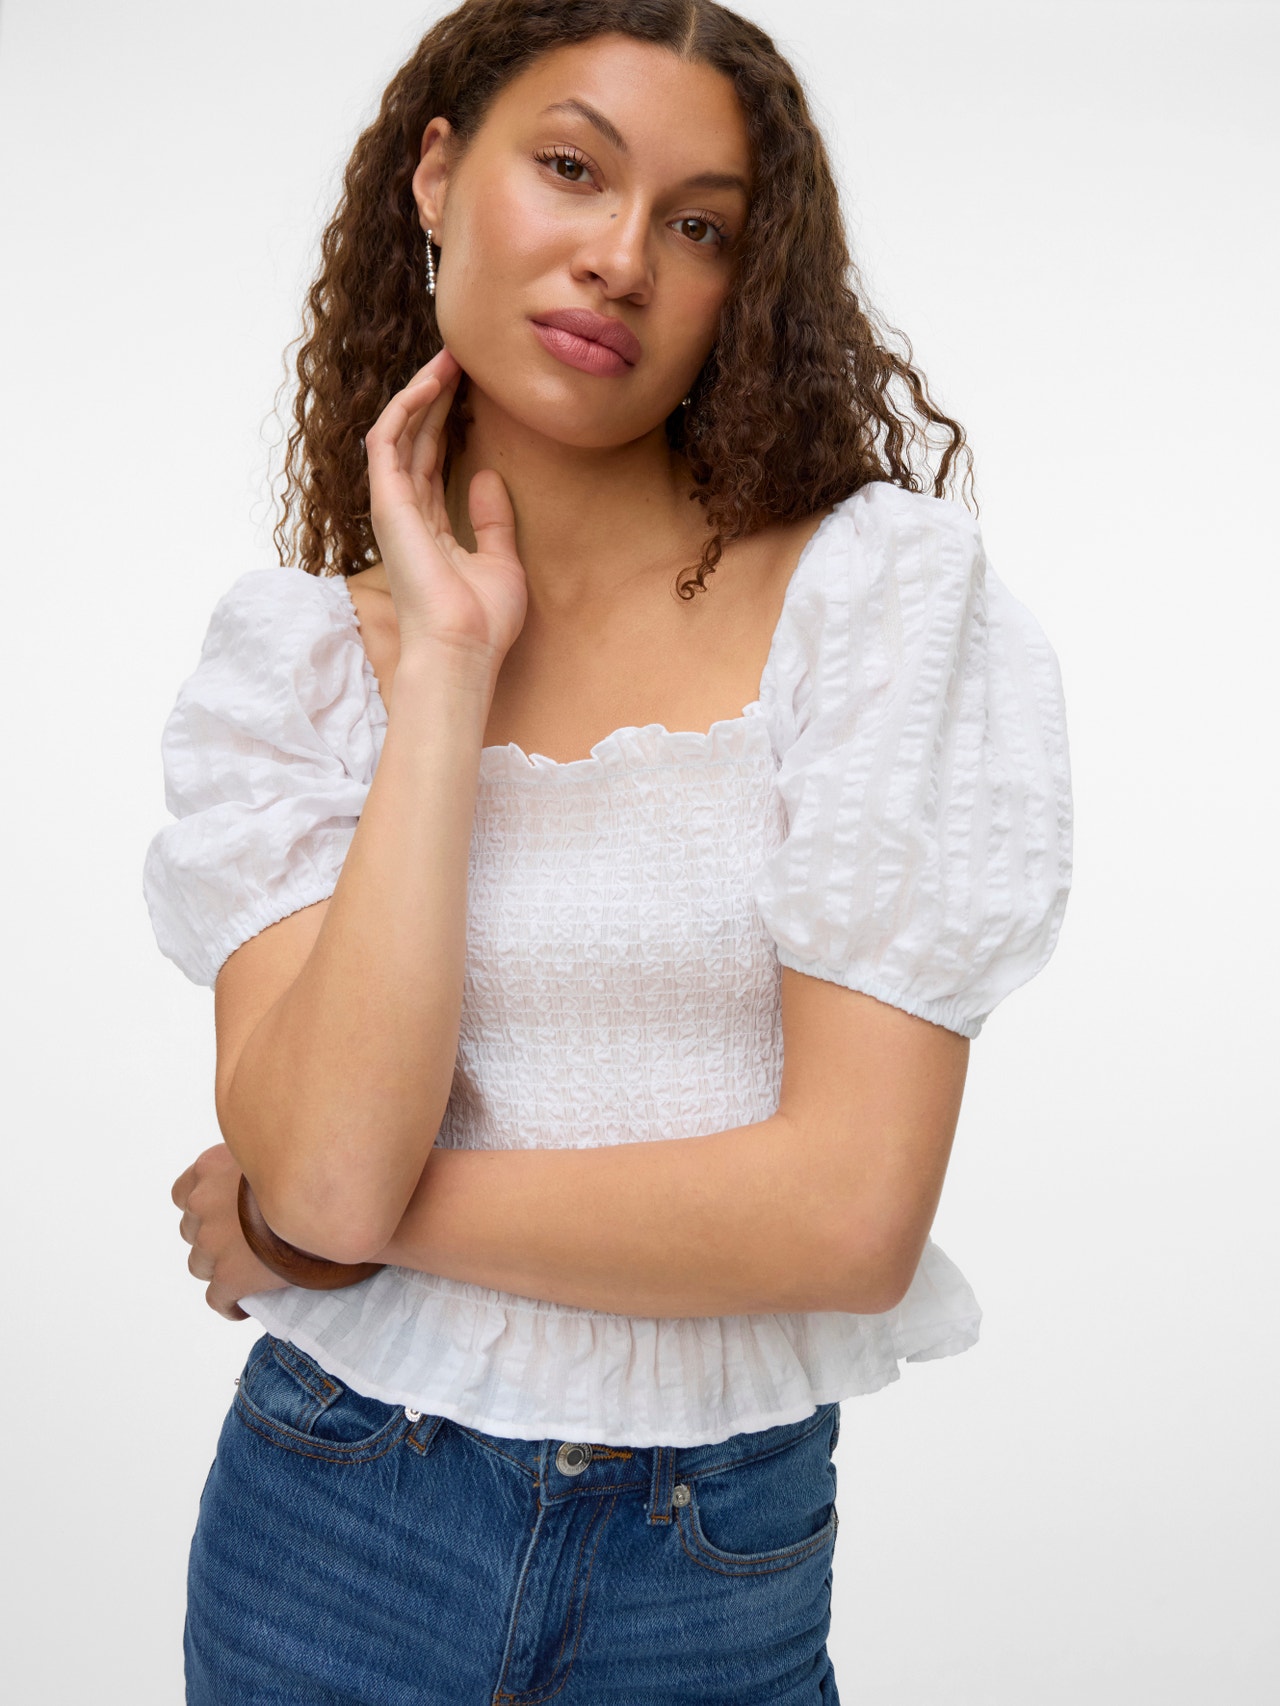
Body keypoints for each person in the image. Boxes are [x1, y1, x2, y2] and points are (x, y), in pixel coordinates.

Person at [146, 1, 1073, 1699]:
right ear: (438, 176)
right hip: (332, 1521)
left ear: (744, 283)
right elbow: (329, 1167)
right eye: (572, 169)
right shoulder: (296, 667)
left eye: (700, 226)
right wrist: (445, 672)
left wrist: (322, 1228)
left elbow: (849, 1215)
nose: (623, 258)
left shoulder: (876, 603)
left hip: (709, 1561)